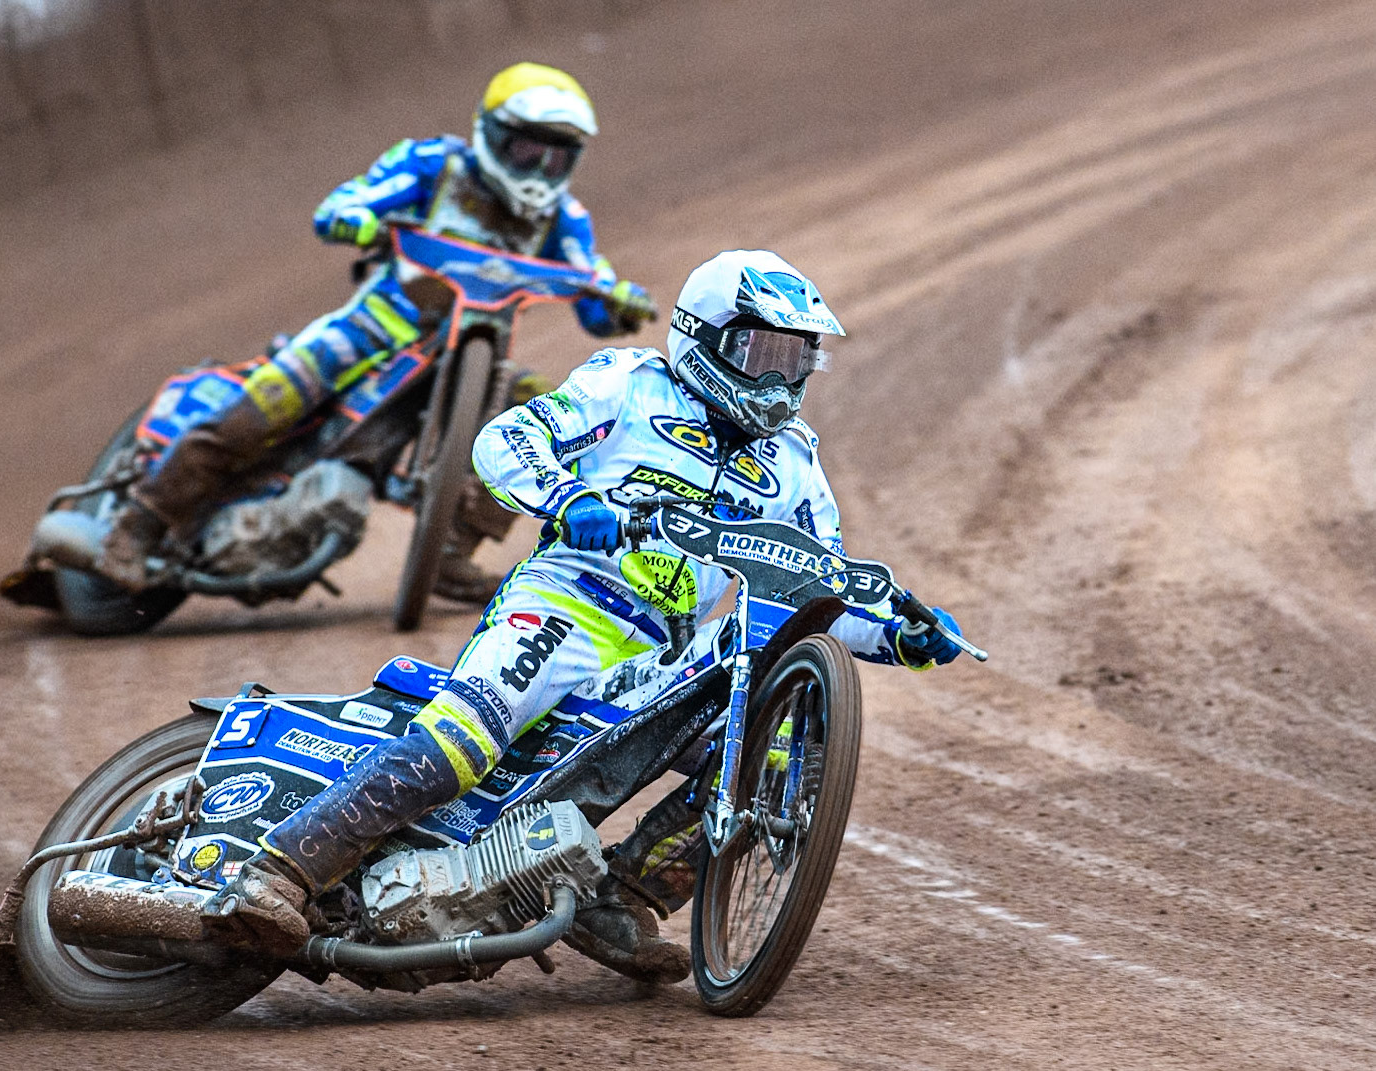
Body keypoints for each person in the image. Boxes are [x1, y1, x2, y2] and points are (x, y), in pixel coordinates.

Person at [208, 249, 965, 981]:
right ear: (703, 337)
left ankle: (622, 898)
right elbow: (508, 438)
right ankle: (282, 872)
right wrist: (570, 498)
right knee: (466, 737)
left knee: (770, 755)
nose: (779, 377)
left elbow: (815, 594)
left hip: (660, 653)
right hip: (567, 603)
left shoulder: (796, 465)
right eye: (762, 350)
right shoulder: (629, 385)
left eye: (795, 358)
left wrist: (902, 634)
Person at [96, 62, 656, 602]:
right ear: (491, 133)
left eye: (556, 158)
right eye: (528, 149)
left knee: (543, 418)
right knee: (271, 402)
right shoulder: (434, 165)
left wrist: (617, 303)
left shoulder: (565, 219)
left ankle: (451, 551)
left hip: (474, 354)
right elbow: (348, 200)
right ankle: (138, 523)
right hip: (372, 329)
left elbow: (592, 293)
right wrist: (354, 216)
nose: (539, 170)